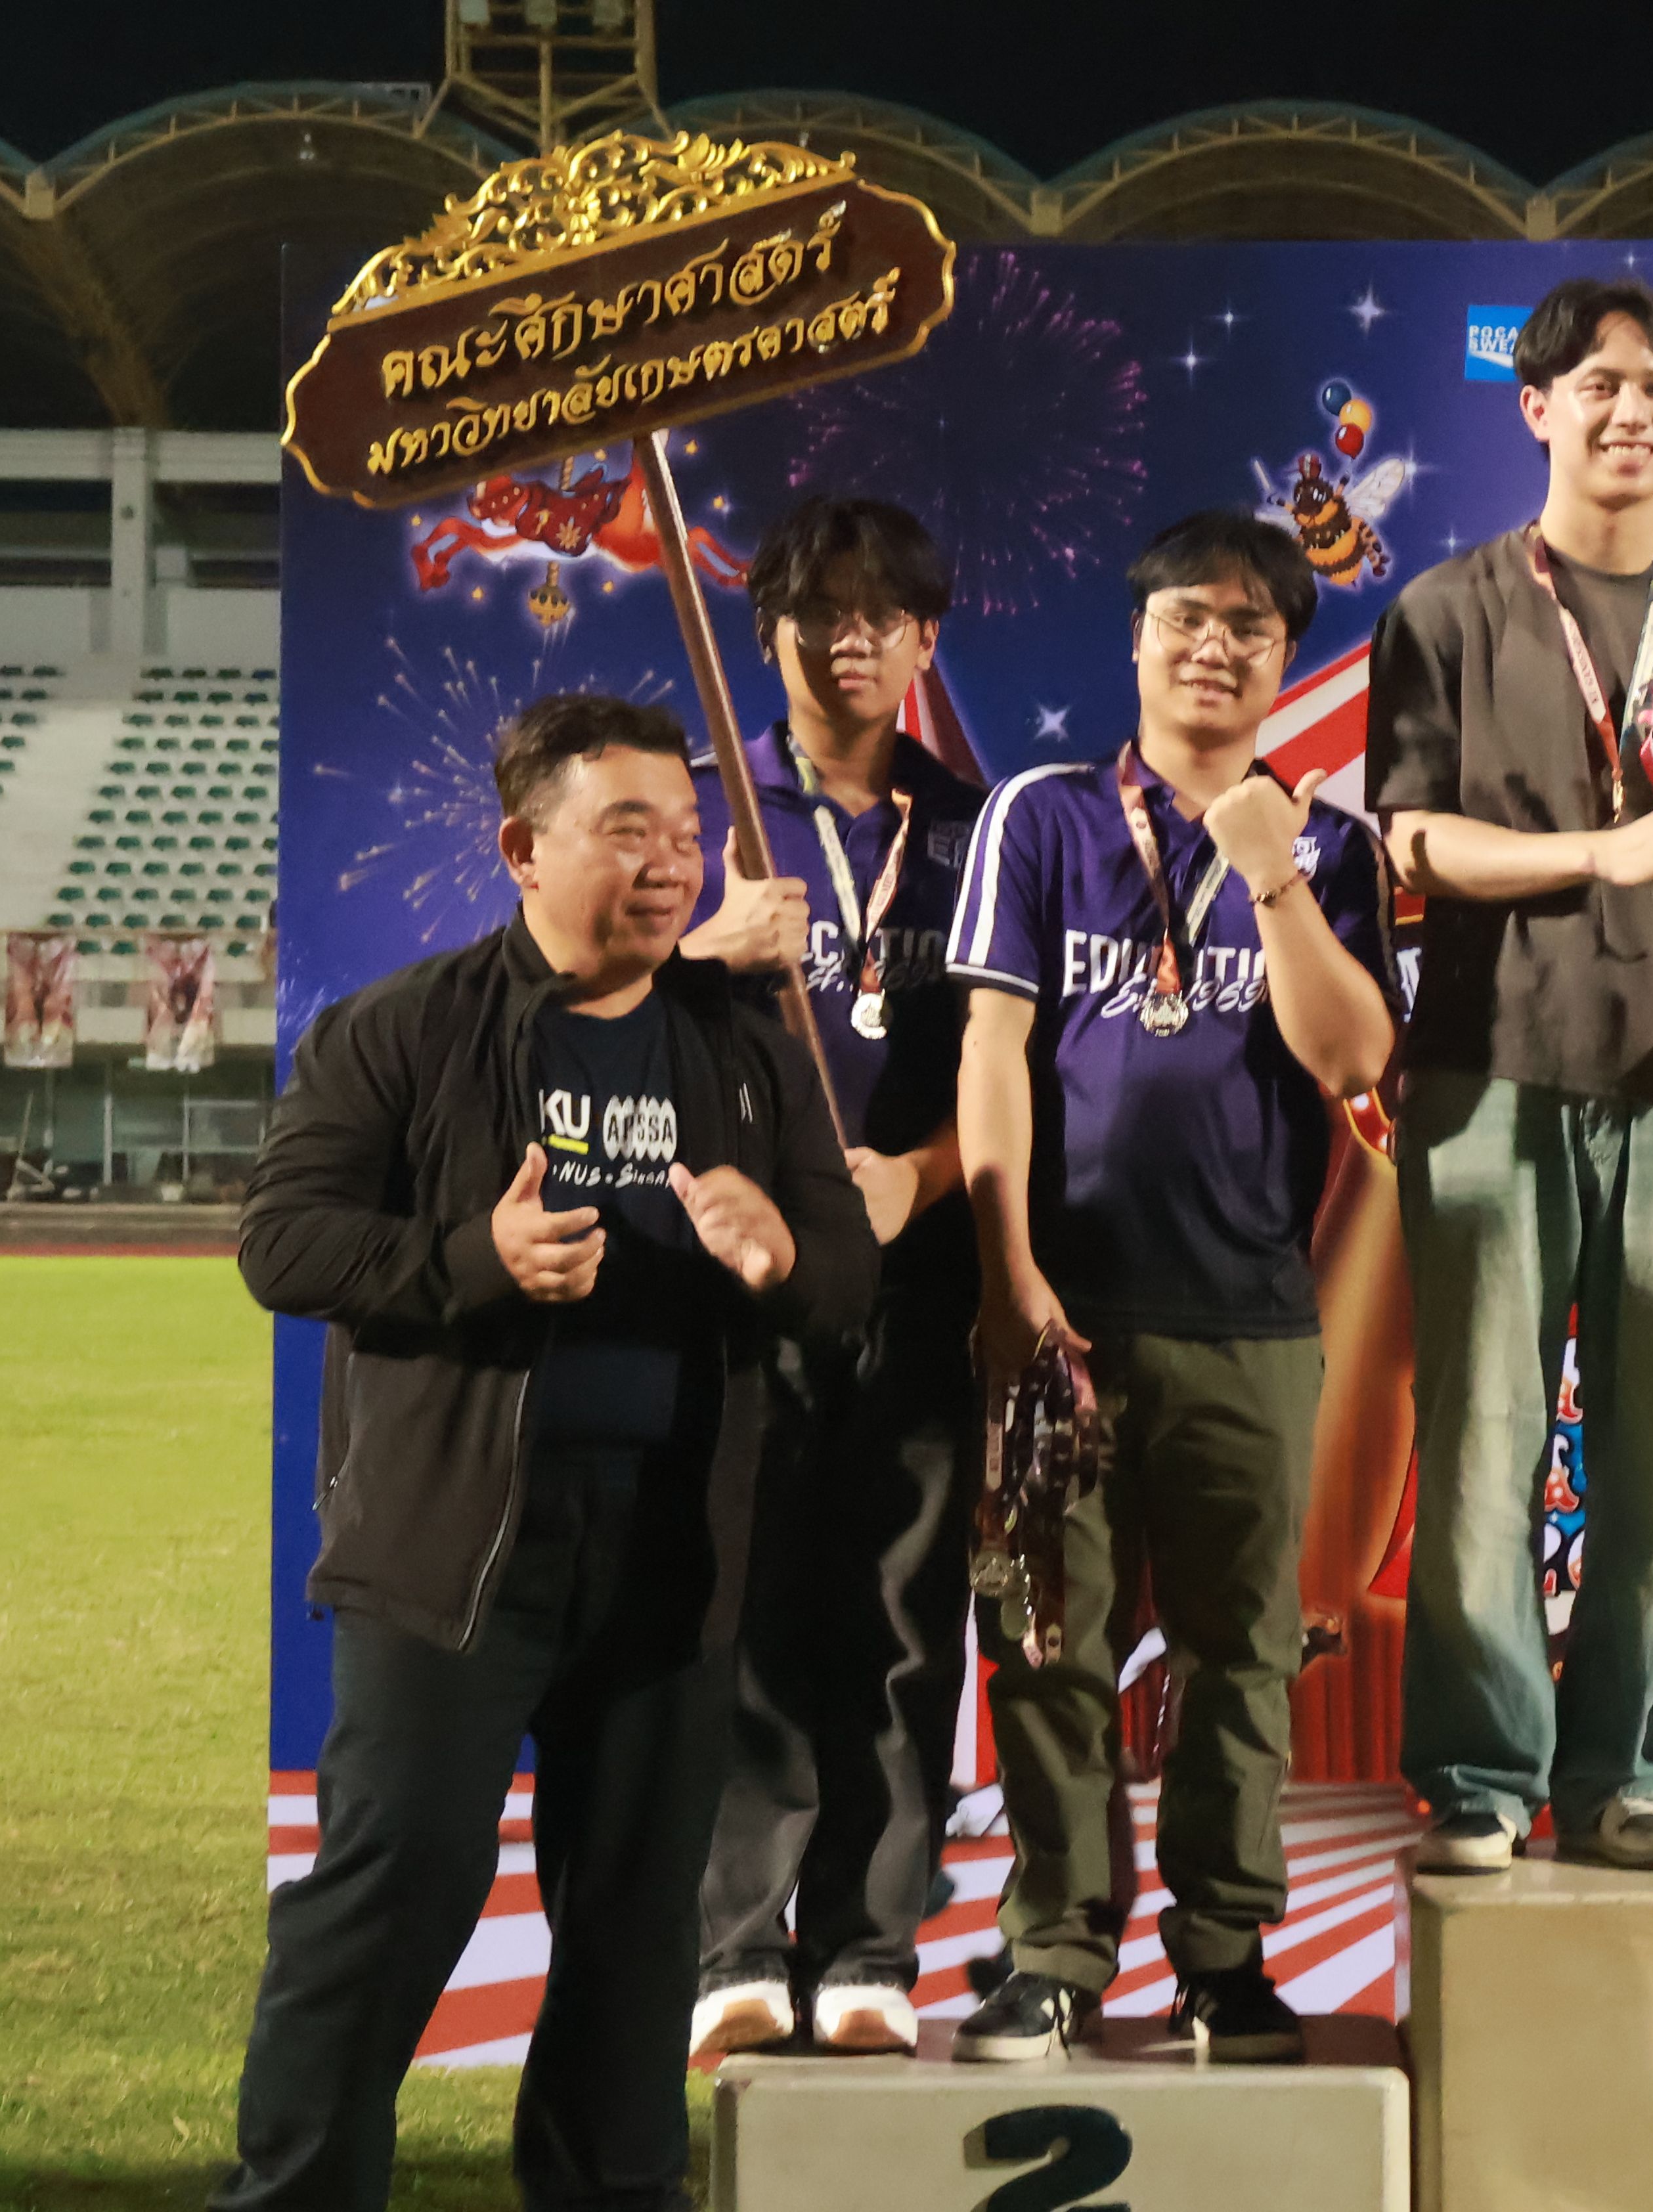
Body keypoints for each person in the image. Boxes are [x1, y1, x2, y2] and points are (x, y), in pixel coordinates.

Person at [223, 694, 875, 2212]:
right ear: (523, 846)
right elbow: (284, 1240)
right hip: (452, 1550)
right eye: (627, 829)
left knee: (639, 1927)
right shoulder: (402, 1027)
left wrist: (782, 1250)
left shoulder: (743, 1047)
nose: (670, 863)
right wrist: (479, 1258)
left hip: (671, 1558)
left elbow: (846, 1273)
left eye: (687, 834)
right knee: (391, 1895)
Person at [944, 512, 1398, 2061]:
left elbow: (1352, 1058)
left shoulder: (1332, 849)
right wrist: (1006, 1271)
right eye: (1186, 618)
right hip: (1059, 1309)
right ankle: (1055, 1950)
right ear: (1136, 640)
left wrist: (1271, 878)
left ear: (1285, 656)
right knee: (1047, 1644)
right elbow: (993, 1050)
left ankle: (1223, 1953)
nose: (1214, 645)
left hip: (1248, 1314)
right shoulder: (1045, 817)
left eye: (1250, 625)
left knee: (1241, 1653)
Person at [1367, 275, 1653, 1875]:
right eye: (1599, 385)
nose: (1632, 413)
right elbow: (1412, 841)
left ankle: (1626, 1769)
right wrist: (1599, 853)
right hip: (1488, 1066)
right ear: (1536, 407)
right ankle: (1484, 1776)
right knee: (1486, 1439)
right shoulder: (1449, 610)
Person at [680, 497, 994, 2061]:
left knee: (905, 1612)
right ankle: (735, 1942)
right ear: (768, 632)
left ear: (926, 638)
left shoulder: (982, 827)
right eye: (815, 611)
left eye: (881, 613)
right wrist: (699, 950)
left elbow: (1028, 1069)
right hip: (743, 1281)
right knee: (748, 1609)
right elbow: (572, 1005)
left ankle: (870, 1942)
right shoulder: (696, 811)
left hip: (920, 1279)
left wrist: (916, 1178)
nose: (846, 638)